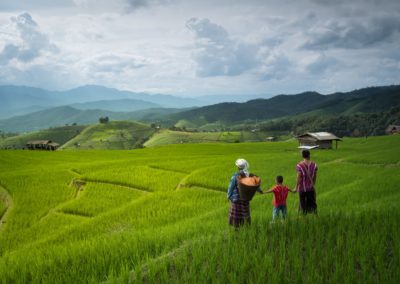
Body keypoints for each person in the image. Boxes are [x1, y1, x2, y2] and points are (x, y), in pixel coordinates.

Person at [227, 158, 263, 228]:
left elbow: (231, 187)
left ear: (238, 167)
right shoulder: (249, 175)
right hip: (245, 199)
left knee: (236, 216)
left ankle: (236, 229)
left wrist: (228, 196)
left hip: (236, 199)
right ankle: (246, 227)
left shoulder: (235, 176)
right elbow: (254, 185)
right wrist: (260, 190)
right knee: (244, 214)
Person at [295, 150, 318, 214]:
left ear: (302, 156)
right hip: (310, 189)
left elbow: (298, 178)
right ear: (309, 155)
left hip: (302, 189)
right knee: (313, 207)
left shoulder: (299, 165)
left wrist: (296, 187)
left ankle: (304, 219)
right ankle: (314, 218)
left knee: (303, 207)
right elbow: (314, 177)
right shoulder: (314, 165)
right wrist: (313, 185)